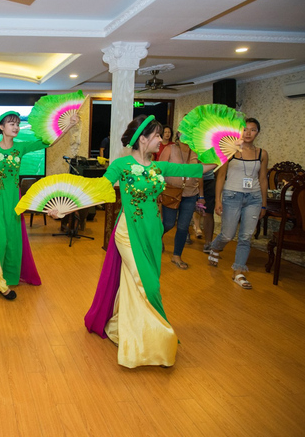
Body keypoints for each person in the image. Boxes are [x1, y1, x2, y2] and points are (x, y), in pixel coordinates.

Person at [83, 115, 215, 368]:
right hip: (128, 231)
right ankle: (151, 338)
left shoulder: (158, 167)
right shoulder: (120, 165)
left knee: (140, 282)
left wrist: (223, 155)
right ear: (142, 138)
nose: (160, 139)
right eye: (156, 136)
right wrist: (67, 208)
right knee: (147, 284)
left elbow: (194, 170)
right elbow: (98, 189)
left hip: (152, 231)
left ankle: (129, 327)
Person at [0, 111, 77, 300]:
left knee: (13, 239)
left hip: (14, 198)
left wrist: (69, 126)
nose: (16, 127)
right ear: (1, 127)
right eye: (11, 124)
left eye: (17, 124)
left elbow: (49, 142)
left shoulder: (21, 148)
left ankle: (8, 276)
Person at [208, 118, 268, 289]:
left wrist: (264, 203)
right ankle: (215, 247)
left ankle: (238, 272)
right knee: (227, 234)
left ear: (258, 132)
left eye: (253, 130)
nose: (248, 133)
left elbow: (263, 179)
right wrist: (218, 200)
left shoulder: (262, 153)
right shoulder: (230, 151)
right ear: (239, 131)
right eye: (245, 129)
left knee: (245, 236)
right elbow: (221, 176)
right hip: (231, 195)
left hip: (254, 198)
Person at [159, 134, 203, 269]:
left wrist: (201, 196)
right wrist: (158, 191)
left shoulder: (197, 152)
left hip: (190, 194)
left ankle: (177, 256)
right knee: (168, 223)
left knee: (183, 227)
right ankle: (156, 237)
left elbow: (199, 173)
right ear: (178, 133)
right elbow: (159, 171)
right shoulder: (169, 149)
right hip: (171, 192)